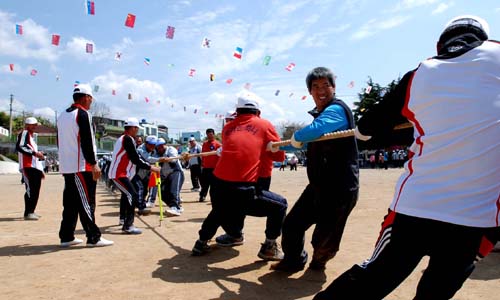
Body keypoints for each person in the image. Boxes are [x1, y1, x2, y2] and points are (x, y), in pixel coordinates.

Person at [314, 15, 500, 299]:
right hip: (479, 218)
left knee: (374, 277)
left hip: (416, 208)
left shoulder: (422, 72)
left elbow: (365, 132)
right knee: (436, 292)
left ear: (440, 44)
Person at [272, 66, 359, 272]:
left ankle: (318, 263)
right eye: (315, 86)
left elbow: (314, 131)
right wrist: (275, 145)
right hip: (319, 186)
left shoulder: (337, 110)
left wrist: (298, 137)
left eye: (325, 85)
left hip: (341, 188)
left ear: (334, 88)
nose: (321, 90)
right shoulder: (319, 117)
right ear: (310, 91)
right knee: (292, 224)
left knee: (324, 239)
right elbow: (301, 142)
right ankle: (294, 260)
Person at [192, 91, 287, 262]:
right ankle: (269, 247)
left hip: (218, 186)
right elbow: (280, 157)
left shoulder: (228, 128)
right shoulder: (264, 125)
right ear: (258, 112)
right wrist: (269, 147)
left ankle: (201, 242)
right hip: (244, 187)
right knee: (279, 205)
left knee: (220, 210)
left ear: (237, 112)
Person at [57, 84, 113, 247]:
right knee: (87, 201)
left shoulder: (61, 116)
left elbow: (60, 141)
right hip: (81, 166)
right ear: (85, 97)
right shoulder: (82, 114)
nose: (91, 101)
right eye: (90, 98)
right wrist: (93, 163)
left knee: (71, 203)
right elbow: (87, 141)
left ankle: (66, 236)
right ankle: (93, 237)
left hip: (68, 166)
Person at [109, 117, 160, 234]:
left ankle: (123, 219)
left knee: (126, 195)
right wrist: (151, 167)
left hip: (122, 174)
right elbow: (135, 159)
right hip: (119, 174)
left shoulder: (123, 138)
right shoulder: (128, 139)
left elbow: (135, 158)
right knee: (132, 195)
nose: (137, 131)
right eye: (137, 128)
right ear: (133, 128)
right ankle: (128, 225)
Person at [16, 117, 45, 221]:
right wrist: (34, 153)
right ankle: (28, 212)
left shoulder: (31, 137)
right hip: (28, 166)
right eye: (32, 124)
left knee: (35, 189)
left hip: (34, 166)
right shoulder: (25, 133)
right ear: (27, 125)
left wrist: (39, 155)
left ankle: (31, 211)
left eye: (35, 124)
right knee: (31, 189)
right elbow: (20, 146)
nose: (35, 126)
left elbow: (28, 149)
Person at [155, 138, 185, 217]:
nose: (160, 148)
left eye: (161, 146)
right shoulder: (157, 153)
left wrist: (165, 159)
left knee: (173, 190)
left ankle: (175, 207)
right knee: (162, 192)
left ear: (165, 145)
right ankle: (175, 206)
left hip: (176, 172)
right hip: (165, 176)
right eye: (158, 147)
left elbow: (174, 160)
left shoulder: (171, 149)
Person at [132, 135, 157, 213]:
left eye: (154, 145)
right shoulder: (140, 149)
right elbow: (147, 159)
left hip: (146, 173)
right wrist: (160, 159)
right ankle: (141, 207)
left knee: (144, 191)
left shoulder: (155, 150)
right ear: (146, 143)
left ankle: (140, 204)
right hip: (136, 173)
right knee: (140, 188)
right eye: (150, 144)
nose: (152, 146)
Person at [198, 128, 222, 202]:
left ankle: (214, 198)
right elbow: (202, 155)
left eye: (211, 134)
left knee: (214, 185)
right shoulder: (204, 144)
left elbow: (221, 156)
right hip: (205, 168)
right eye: (208, 135)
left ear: (213, 134)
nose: (209, 136)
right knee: (204, 184)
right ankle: (202, 196)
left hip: (214, 168)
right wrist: (202, 164)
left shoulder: (218, 144)